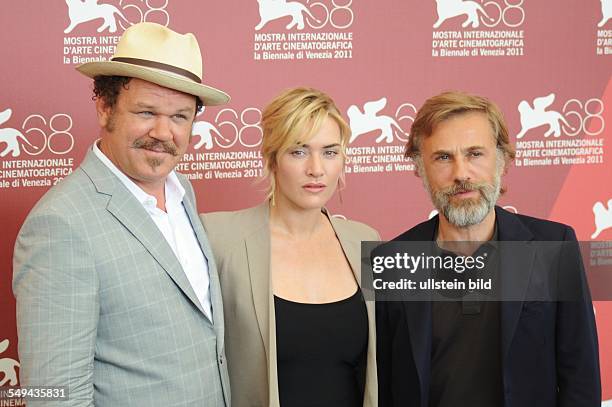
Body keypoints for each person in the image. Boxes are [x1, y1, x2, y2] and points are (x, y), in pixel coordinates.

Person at [13, 22, 231, 406]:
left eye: (180, 117)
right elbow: (54, 395)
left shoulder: (183, 193)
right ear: (105, 107)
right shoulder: (60, 224)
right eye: (147, 111)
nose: (164, 132)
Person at [376, 91, 601, 407]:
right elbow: (382, 386)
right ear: (419, 167)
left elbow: (581, 378)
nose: (461, 174)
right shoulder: (390, 261)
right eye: (443, 157)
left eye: (475, 154)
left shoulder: (554, 246)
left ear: (503, 159)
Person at [201, 87, 379, 407]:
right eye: (298, 151)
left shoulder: (365, 242)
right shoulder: (220, 239)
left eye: (329, 151)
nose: (316, 169)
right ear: (272, 158)